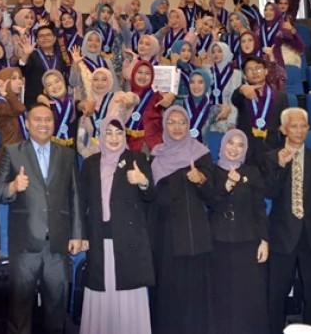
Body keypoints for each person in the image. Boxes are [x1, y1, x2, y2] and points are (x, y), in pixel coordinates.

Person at [0, 103, 84, 334]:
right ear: (27, 124)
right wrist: (13, 187)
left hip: (58, 246)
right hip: (25, 245)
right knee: (19, 311)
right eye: (38, 119)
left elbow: (75, 195)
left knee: (56, 310)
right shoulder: (12, 151)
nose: (43, 124)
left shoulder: (67, 154)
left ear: (54, 123)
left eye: (48, 120)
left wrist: (77, 234)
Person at [263, 108, 311, 334]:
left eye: (303, 126)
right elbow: (269, 192)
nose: (299, 131)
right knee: (276, 294)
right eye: (293, 126)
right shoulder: (270, 157)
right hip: (282, 236)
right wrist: (280, 166)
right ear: (283, 129)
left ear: (308, 128)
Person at [78, 116, 154, 334]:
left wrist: (143, 182)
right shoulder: (91, 163)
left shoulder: (137, 158)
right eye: (108, 133)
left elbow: (151, 196)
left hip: (128, 239)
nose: (113, 138)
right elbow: (80, 202)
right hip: (99, 238)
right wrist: (81, 235)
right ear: (101, 135)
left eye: (119, 133)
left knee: (128, 292)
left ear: (125, 135)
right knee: (101, 291)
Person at [147, 106, 215, 334]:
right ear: (164, 126)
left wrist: (201, 179)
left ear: (189, 126)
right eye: (171, 122)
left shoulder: (200, 154)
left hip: (193, 235)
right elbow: (151, 198)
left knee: (194, 295)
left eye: (182, 122)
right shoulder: (156, 156)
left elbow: (214, 196)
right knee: (167, 293)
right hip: (165, 236)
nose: (177, 127)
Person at [207, 129, 269, 334]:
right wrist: (227, 186)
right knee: (221, 293)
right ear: (222, 145)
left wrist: (264, 240)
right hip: (218, 241)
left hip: (247, 241)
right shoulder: (211, 171)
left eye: (240, 145)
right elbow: (210, 203)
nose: (234, 149)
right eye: (230, 143)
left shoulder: (252, 172)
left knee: (247, 295)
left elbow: (259, 209)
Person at [231, 56, 289, 164]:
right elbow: (234, 99)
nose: (254, 72)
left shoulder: (281, 97)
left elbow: (284, 126)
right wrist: (241, 89)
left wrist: (283, 150)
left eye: (258, 68)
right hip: (247, 152)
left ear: (266, 71)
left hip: (272, 151)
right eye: (249, 70)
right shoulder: (242, 95)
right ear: (245, 75)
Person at [18, 25, 68, 107]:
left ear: (54, 39)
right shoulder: (31, 55)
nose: (45, 38)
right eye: (41, 36)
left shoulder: (61, 58)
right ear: (37, 41)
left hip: (58, 100)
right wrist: (25, 55)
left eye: (48, 35)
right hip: (35, 101)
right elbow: (21, 72)